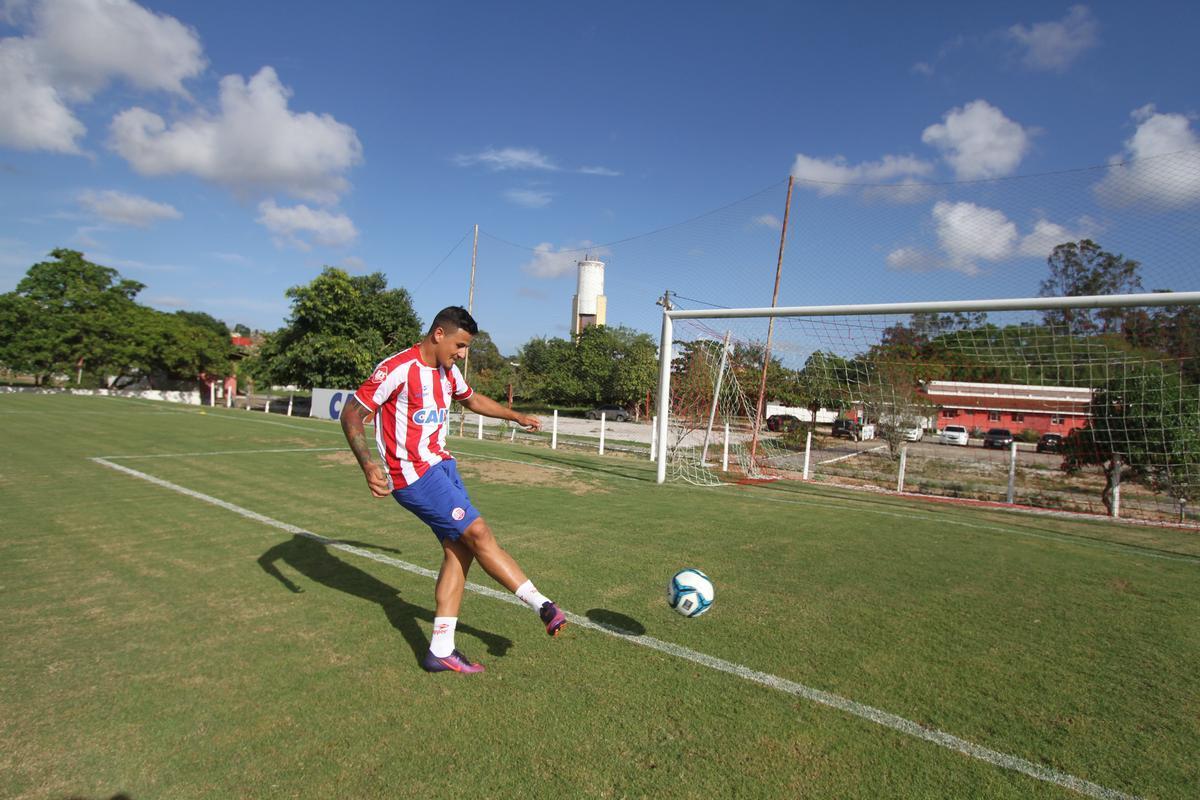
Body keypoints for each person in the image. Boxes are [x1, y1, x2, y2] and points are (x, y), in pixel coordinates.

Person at [340, 305, 566, 674]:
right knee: (477, 532)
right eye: (460, 345)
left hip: (443, 468)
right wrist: (367, 463)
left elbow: (472, 399)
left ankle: (440, 650)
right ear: (438, 334)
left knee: (459, 552)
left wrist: (516, 416)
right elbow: (352, 412)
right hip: (412, 474)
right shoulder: (398, 368)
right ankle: (542, 605)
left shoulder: (447, 372)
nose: (462, 354)